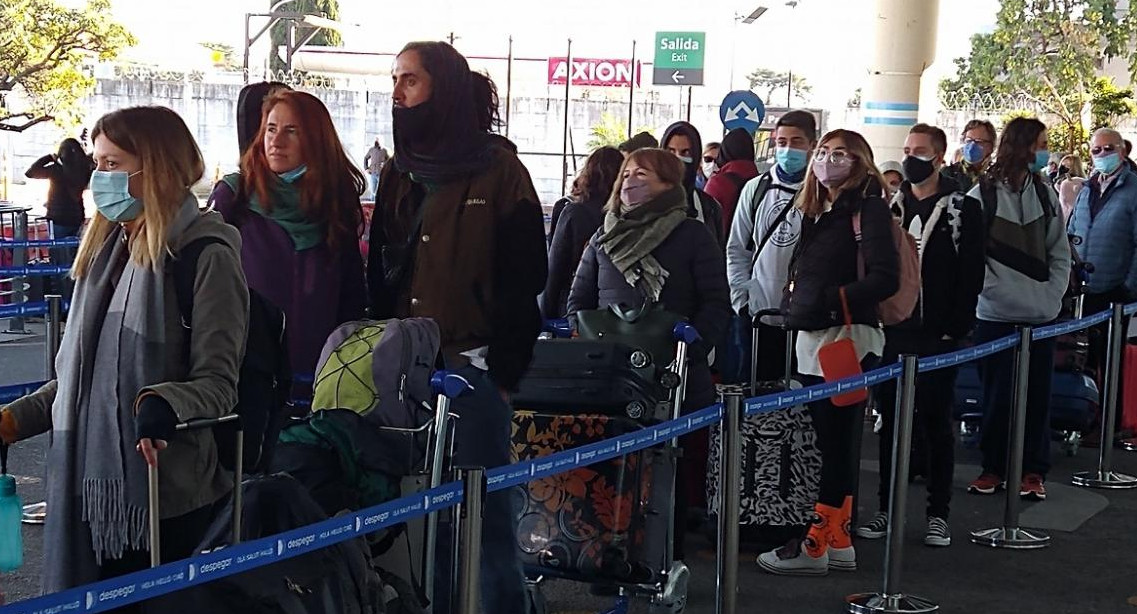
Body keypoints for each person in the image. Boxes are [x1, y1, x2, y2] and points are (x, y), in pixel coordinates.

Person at [0, 106, 249, 595]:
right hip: (89, 493)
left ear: (154, 167)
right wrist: (12, 421)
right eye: (98, 163)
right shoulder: (107, 253)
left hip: (166, 500)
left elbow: (219, 386)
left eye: (112, 165)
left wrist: (164, 402)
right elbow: (80, 384)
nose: (99, 178)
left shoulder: (206, 256)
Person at [366, 41, 546, 614]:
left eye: (410, 80)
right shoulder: (399, 170)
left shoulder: (500, 171)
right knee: (413, 520)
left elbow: (527, 278)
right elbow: (379, 276)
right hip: (402, 369)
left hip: (474, 365)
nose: (398, 93)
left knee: (486, 520)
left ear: (442, 87)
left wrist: (504, 372)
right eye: (395, 81)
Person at [566, 147, 731, 560]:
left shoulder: (691, 234)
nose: (629, 182)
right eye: (626, 174)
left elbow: (716, 301)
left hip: (672, 377)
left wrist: (693, 346)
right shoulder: (604, 236)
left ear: (668, 185)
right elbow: (576, 301)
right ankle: (606, 559)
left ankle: (662, 560)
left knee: (664, 475)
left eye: (642, 174)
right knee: (609, 473)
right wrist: (586, 335)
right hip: (611, 379)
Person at [758, 129, 899, 576]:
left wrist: (829, 301)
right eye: (823, 152)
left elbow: (884, 278)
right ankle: (837, 540)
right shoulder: (819, 211)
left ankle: (818, 542)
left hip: (846, 338)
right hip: (815, 338)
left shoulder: (868, 209)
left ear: (860, 162)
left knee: (837, 439)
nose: (827, 160)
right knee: (829, 439)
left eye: (840, 154)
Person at [856, 124, 985, 548]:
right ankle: (886, 510)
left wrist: (956, 328)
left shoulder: (963, 209)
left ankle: (938, 513)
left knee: (935, 422)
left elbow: (971, 274)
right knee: (891, 423)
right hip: (895, 330)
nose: (912, 158)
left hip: (938, 334)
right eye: (908, 150)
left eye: (921, 151)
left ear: (940, 157)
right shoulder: (889, 207)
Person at [209, 90, 366, 379]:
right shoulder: (234, 197)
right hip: (245, 374)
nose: (276, 141)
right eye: (270, 129)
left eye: (291, 131)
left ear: (316, 139)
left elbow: (351, 296)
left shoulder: (335, 203)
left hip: (320, 372)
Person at [966, 117, 1070, 501]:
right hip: (994, 317)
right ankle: (992, 467)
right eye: (1041, 143)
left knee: (1037, 395)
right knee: (996, 395)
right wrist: (998, 294)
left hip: (1041, 317)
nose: (1045, 150)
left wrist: (1050, 297)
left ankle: (1032, 470)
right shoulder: (983, 194)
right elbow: (973, 260)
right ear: (1024, 145)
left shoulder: (1046, 193)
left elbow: (1059, 251)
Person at [726, 109, 817, 383]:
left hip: (805, 320)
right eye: (781, 142)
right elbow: (737, 248)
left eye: (797, 142)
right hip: (756, 316)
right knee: (753, 393)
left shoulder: (821, 193)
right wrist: (742, 301)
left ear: (812, 145)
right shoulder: (755, 189)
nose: (789, 149)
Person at [1068, 128, 1137, 437]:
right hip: (1084, 287)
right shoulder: (1087, 188)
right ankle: (1086, 415)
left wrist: (1130, 286)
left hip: (1117, 288)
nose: (1101, 155)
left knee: (1112, 358)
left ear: (1122, 151)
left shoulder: (1133, 189)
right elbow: (1073, 229)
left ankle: (1109, 425)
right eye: (1095, 150)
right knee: (1085, 356)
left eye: (1108, 149)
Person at [542, 146, 623, 319]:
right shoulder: (622, 217)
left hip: (571, 306)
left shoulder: (574, 213)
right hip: (609, 309)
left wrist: (545, 314)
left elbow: (556, 267)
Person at [661, 121, 726, 249]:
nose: (677, 159)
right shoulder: (644, 202)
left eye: (685, 153)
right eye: (671, 151)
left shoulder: (709, 207)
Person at [25, 138, 94, 240]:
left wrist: (49, 158)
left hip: (57, 218)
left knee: (58, 250)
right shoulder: (84, 171)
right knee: (75, 250)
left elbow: (30, 173)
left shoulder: (56, 170)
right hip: (77, 217)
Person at [704, 128, 759, 236]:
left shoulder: (717, 183)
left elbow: (706, 223)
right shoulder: (762, 183)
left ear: (724, 152)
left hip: (721, 248)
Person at [942, 119, 997, 193]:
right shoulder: (947, 174)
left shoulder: (995, 177)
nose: (972, 145)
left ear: (991, 147)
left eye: (979, 141)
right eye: (968, 141)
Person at [1056, 153, 1086, 221]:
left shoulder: (1080, 183)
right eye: (1062, 166)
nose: (1063, 169)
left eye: (1067, 166)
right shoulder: (1057, 183)